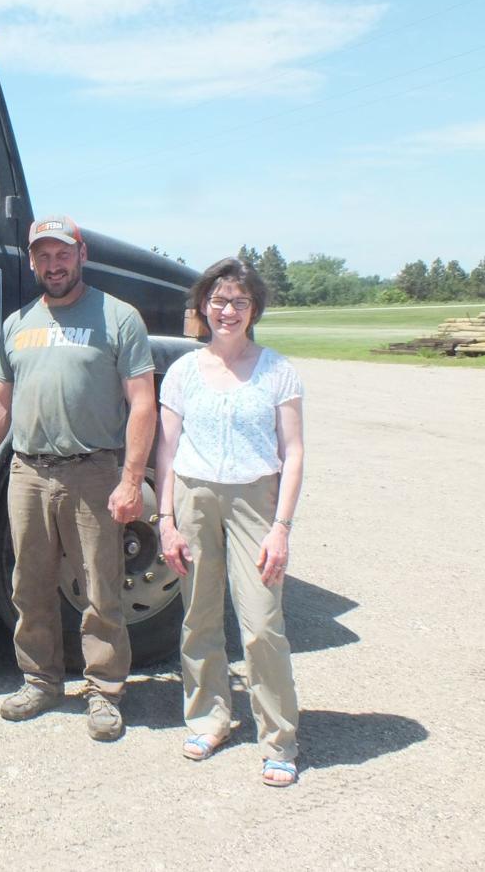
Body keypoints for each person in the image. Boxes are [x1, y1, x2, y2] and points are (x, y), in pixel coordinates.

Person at [0, 214, 156, 741]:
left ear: (81, 254)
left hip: (93, 472)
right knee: (29, 585)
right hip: (27, 471)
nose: (53, 264)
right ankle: (41, 681)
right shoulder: (18, 323)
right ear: (32, 262)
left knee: (101, 589)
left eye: (62, 254)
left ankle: (105, 691)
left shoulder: (118, 317)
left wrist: (131, 479)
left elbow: (142, 403)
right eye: (43, 256)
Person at [155, 257, 303, 787]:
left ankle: (279, 739)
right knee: (198, 614)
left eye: (239, 301)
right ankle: (209, 717)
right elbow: (166, 452)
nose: (228, 310)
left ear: (254, 309)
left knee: (262, 623)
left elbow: (295, 451)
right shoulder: (182, 371)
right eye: (218, 301)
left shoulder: (277, 370)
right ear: (202, 308)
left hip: (254, 501)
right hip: (194, 496)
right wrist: (165, 520)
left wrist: (281, 526)